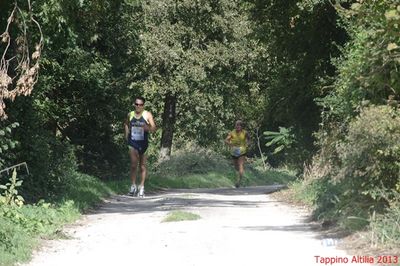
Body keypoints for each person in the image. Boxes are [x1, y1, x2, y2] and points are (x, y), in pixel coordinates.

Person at [124, 96, 156, 197]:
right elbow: (125, 124)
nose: (138, 106)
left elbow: (154, 128)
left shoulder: (147, 114)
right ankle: (133, 186)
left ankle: (141, 187)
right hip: (132, 142)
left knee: (142, 166)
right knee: (133, 165)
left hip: (143, 143)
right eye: (136, 104)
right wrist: (126, 135)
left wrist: (148, 128)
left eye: (140, 105)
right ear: (134, 104)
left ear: (143, 106)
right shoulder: (130, 114)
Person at [225, 120, 250, 188]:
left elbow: (248, 139)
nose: (238, 126)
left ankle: (238, 181)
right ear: (235, 126)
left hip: (242, 150)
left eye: (239, 125)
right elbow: (226, 140)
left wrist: (247, 144)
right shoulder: (232, 133)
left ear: (241, 127)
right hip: (234, 151)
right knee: (236, 167)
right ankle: (240, 176)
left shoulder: (245, 132)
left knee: (240, 165)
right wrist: (230, 144)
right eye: (237, 125)